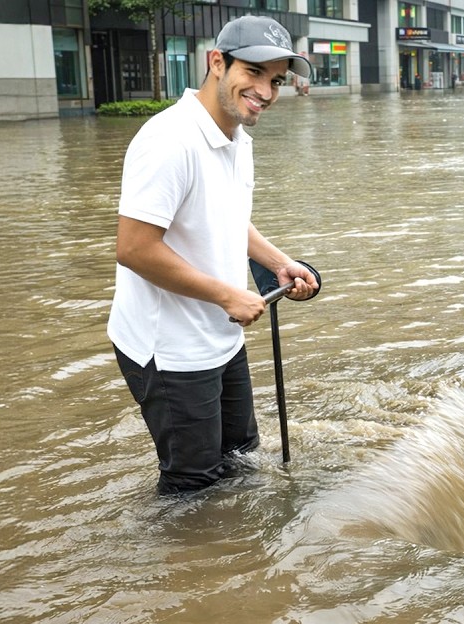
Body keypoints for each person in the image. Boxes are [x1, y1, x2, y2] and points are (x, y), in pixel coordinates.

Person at [108, 15, 319, 495]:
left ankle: (237, 563)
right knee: (193, 485)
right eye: (255, 72)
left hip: (220, 335)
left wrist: (278, 262)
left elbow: (225, 217)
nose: (266, 91)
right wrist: (228, 295)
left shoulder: (236, 136)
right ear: (217, 62)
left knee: (241, 460)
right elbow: (135, 249)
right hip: (170, 349)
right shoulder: (169, 141)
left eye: (277, 80)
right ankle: (188, 567)